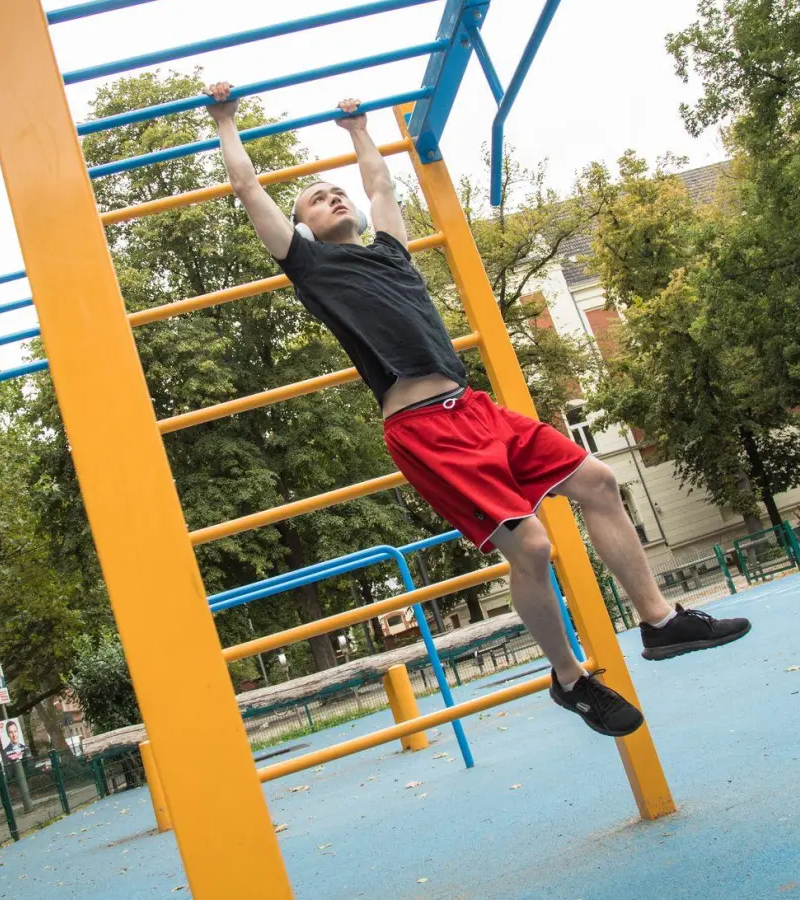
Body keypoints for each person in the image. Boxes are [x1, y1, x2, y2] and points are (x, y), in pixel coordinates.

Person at [206, 83, 751, 737]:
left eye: (335, 189)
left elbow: (380, 185)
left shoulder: (390, 250)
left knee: (600, 482)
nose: (334, 196)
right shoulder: (311, 266)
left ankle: (661, 622)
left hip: (475, 409)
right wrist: (226, 120)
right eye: (316, 199)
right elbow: (248, 191)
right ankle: (570, 679)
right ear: (302, 228)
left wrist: (359, 130)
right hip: (423, 429)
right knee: (535, 546)